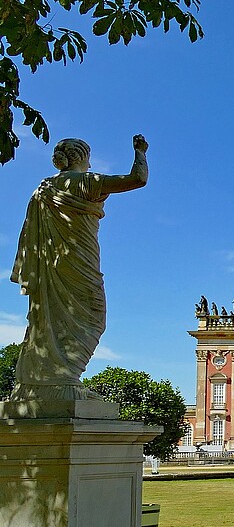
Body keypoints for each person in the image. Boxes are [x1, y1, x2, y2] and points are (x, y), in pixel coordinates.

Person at [10, 135, 148, 403]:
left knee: (48, 316)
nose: (91, 163)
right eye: (89, 158)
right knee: (94, 316)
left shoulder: (42, 191)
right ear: (83, 157)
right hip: (79, 262)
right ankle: (61, 381)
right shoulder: (86, 182)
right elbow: (137, 179)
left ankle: (49, 381)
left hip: (51, 264)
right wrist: (140, 152)